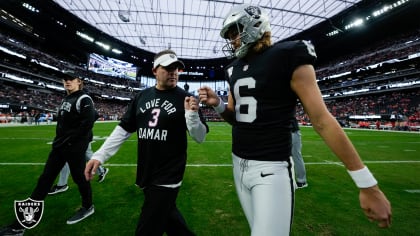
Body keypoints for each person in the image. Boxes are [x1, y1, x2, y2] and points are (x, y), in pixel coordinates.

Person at [198, 4, 391, 235]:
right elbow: (235, 117)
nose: (233, 40)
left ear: (255, 25)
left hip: (271, 168)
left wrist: (367, 183)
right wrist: (218, 105)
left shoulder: (288, 54)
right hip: (238, 163)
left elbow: (321, 120)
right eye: (229, 35)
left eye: (235, 32)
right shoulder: (233, 69)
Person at [85, 49, 209, 235]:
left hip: (168, 175)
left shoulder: (186, 99)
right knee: (171, 221)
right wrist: (100, 155)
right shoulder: (142, 97)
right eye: (168, 68)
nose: (173, 72)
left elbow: (200, 137)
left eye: (176, 68)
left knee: (147, 229)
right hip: (147, 171)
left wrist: (191, 116)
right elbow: (124, 129)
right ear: (155, 71)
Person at [0, 72, 96, 236]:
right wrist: (60, 139)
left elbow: (88, 123)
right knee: (45, 180)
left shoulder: (84, 99)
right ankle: (19, 225)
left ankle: (88, 206)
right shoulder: (65, 99)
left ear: (79, 82)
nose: (67, 81)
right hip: (59, 146)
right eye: (64, 79)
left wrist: (71, 140)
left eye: (70, 79)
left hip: (74, 148)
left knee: (80, 178)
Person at [49, 111, 109, 195]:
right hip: (74, 136)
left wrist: (83, 126)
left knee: (81, 156)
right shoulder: (74, 101)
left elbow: (94, 114)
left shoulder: (81, 100)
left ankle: (62, 184)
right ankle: (102, 170)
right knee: (84, 155)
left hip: (80, 136)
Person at [291, 118, 307, 189]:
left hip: (291, 131)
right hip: (289, 131)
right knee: (296, 156)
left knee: (296, 156)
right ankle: (301, 181)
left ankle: (301, 180)